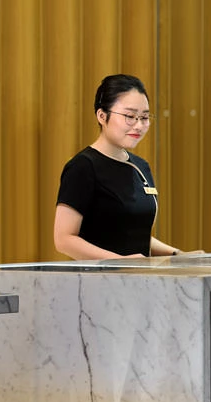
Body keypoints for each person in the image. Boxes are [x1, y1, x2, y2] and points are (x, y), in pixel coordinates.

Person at [53, 73, 185, 261]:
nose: (139, 125)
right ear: (102, 115)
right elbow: (64, 239)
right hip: (100, 282)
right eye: (130, 116)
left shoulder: (140, 166)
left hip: (140, 281)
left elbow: (132, 234)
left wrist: (177, 254)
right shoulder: (83, 167)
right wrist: (120, 262)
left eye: (145, 117)